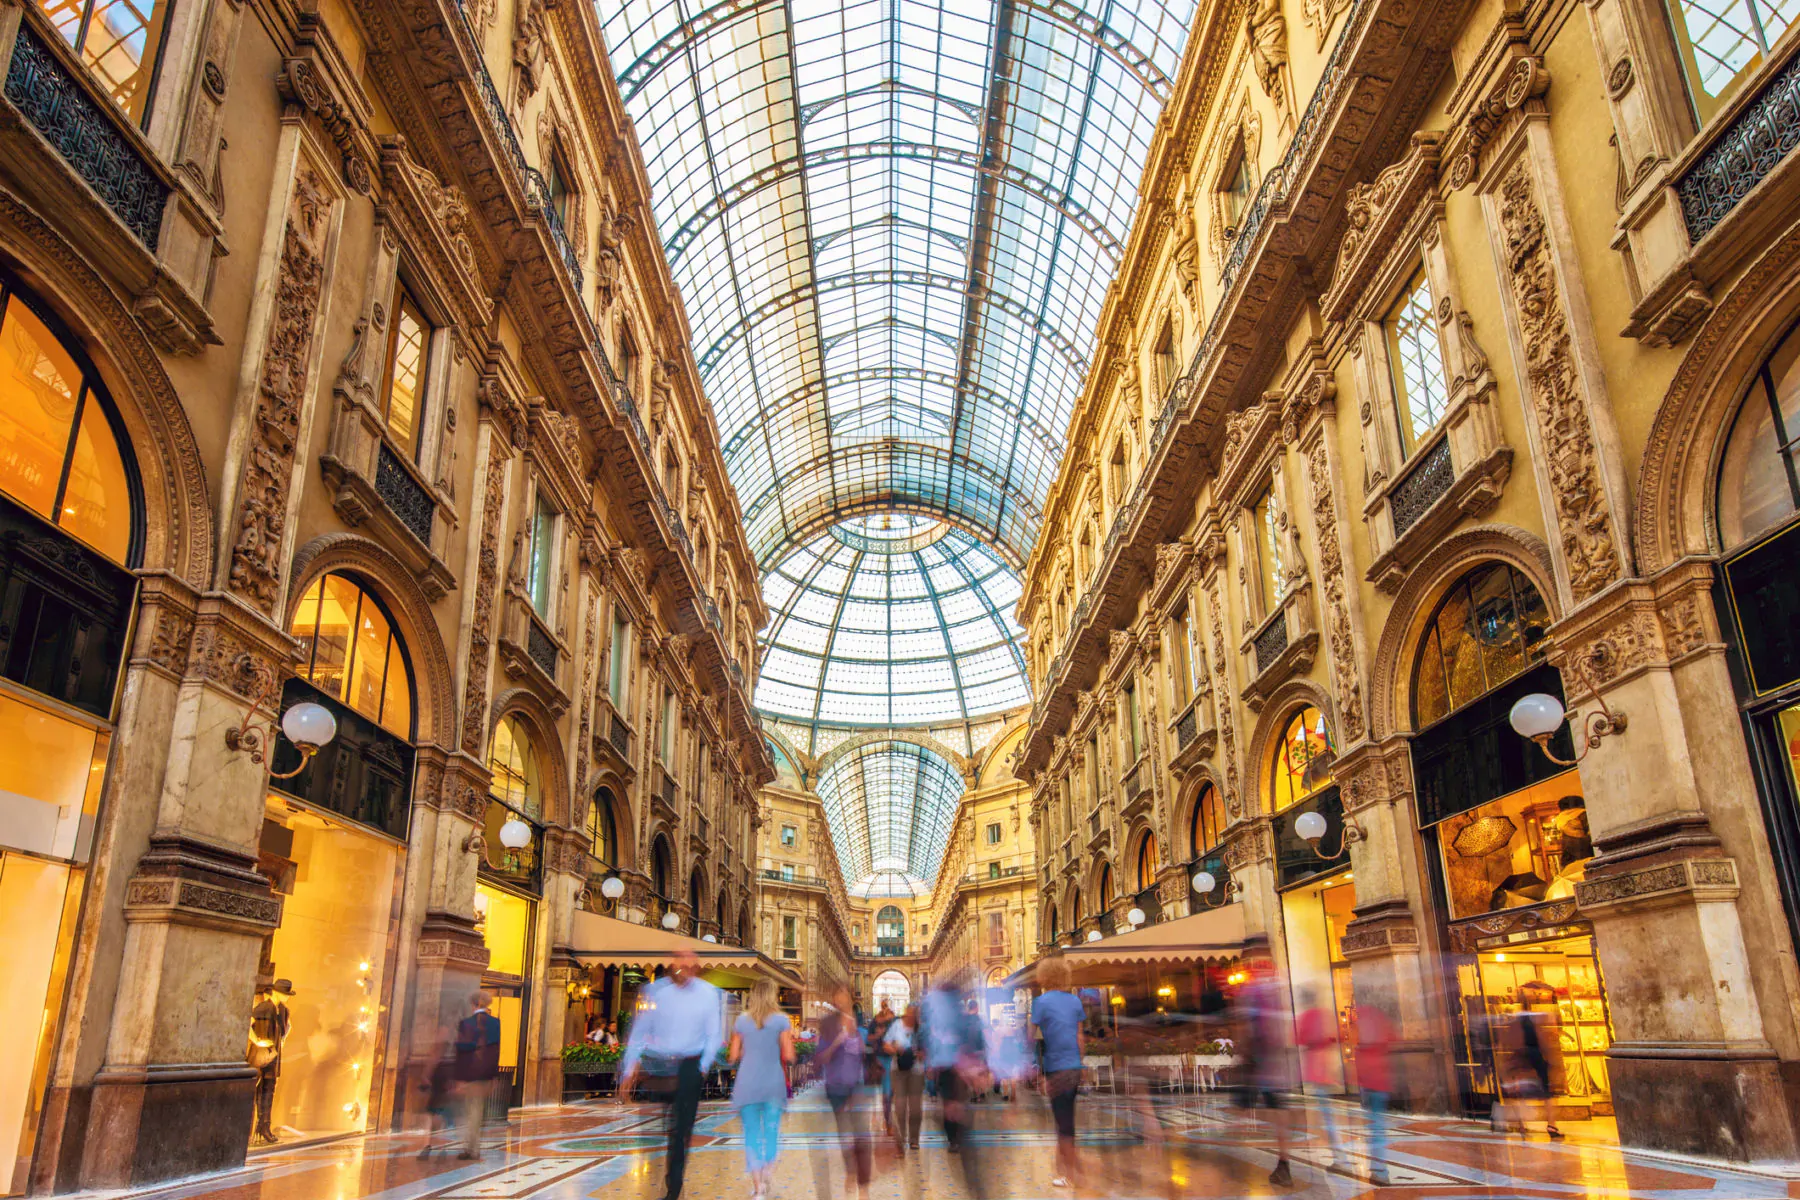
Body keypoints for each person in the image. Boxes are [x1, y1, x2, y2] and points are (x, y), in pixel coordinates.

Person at [620, 949, 724, 1200]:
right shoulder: (656, 992)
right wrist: (629, 1067)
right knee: (658, 1126)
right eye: (679, 965)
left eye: (688, 966)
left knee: (680, 1131)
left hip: (690, 1066)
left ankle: (673, 1188)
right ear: (672, 965)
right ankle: (657, 1170)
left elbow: (714, 1035)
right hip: (659, 1065)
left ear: (696, 968)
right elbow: (640, 1030)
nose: (683, 970)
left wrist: (702, 1067)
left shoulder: (708, 994)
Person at [921, 971, 991, 1199]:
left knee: (957, 1119)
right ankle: (976, 1187)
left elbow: (945, 1046)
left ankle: (975, 1185)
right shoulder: (961, 1017)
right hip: (956, 1077)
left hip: (952, 1076)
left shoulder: (944, 1017)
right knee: (963, 1127)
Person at [730, 980, 795, 1200]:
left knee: (751, 1134)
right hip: (772, 1082)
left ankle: (758, 1189)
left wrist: (748, 1049)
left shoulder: (741, 1020)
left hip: (747, 1082)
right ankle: (768, 1168)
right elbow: (788, 1054)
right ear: (772, 995)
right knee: (771, 1130)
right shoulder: (782, 1020)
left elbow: (733, 1055)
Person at [1235, 954, 1296, 1186]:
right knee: (1278, 1114)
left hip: (1260, 1064)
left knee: (1244, 1108)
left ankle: (1234, 1165)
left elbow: (1248, 1027)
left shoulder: (1253, 990)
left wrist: (1245, 1053)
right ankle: (1283, 1163)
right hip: (1277, 1066)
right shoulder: (1278, 989)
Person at [1031, 957, 1086, 1189]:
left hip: (1055, 1067)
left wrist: (1033, 1068)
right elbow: (1080, 1038)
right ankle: (1066, 1167)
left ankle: (1071, 1173)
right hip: (1073, 1067)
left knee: (1063, 1123)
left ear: (1044, 977)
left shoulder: (1040, 1002)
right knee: (1066, 1120)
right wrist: (1079, 1063)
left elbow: (1029, 1037)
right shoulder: (1075, 1001)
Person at [816, 984, 872, 1197]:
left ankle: (863, 1186)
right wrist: (837, 1042)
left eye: (845, 995)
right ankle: (850, 1170)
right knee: (845, 1135)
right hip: (836, 1086)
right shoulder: (828, 1024)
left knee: (863, 1135)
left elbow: (864, 1057)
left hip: (856, 1085)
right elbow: (821, 1057)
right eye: (838, 996)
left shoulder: (860, 1028)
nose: (841, 1000)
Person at [1294, 986, 1347, 1167]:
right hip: (1327, 1066)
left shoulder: (1307, 1017)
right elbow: (1337, 1036)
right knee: (1324, 1113)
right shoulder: (1326, 1015)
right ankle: (1334, 1153)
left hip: (1315, 1069)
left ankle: (1339, 1156)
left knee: (1325, 1114)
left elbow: (1299, 1039)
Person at [453, 991, 503, 1160]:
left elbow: (461, 1051)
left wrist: (459, 1077)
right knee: (477, 1110)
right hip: (486, 1074)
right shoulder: (495, 1023)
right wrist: (494, 1075)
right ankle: (472, 1146)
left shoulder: (466, 1023)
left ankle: (471, 1149)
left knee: (471, 1111)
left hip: (470, 1073)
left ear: (473, 1004)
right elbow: (495, 1050)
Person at [246, 979, 291, 1145]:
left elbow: (285, 1031)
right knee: (259, 1089)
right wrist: (257, 1040)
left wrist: (282, 1040)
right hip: (261, 1056)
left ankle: (264, 1125)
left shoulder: (284, 1011)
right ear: (276, 993)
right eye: (285, 994)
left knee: (269, 1090)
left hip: (273, 1056)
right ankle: (257, 1127)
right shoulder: (264, 1007)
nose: (287, 998)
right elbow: (248, 1023)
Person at [1354, 1004, 1395, 1186]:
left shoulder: (1361, 1027)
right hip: (1380, 1081)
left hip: (1369, 1082)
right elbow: (1392, 1041)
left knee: (1375, 1127)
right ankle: (1378, 1167)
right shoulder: (1381, 1024)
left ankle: (1379, 1169)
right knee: (1377, 1126)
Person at [885, 1003, 924, 1150]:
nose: (912, 1016)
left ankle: (914, 1140)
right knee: (900, 1107)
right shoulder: (896, 1025)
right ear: (906, 1013)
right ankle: (900, 1140)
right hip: (898, 1070)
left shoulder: (921, 1029)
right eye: (910, 1013)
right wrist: (897, 1049)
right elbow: (886, 1044)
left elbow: (928, 1048)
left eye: (915, 1014)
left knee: (915, 1108)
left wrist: (921, 1054)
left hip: (916, 1071)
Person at [418, 1024, 458, 1158]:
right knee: (441, 1114)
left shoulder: (443, 1044)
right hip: (445, 1076)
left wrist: (425, 1075)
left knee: (436, 1114)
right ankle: (440, 1146)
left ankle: (429, 1146)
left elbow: (434, 1057)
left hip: (442, 1076)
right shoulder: (455, 1043)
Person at [867, 1000, 897, 1135]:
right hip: (881, 1059)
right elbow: (868, 1038)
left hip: (894, 1059)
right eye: (883, 1006)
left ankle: (890, 1118)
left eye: (886, 1006)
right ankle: (888, 1121)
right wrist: (877, 1035)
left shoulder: (893, 1022)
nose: (885, 1009)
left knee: (891, 1093)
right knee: (887, 1093)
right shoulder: (875, 1022)